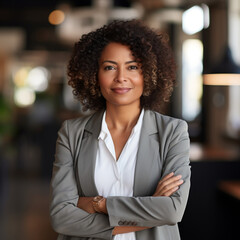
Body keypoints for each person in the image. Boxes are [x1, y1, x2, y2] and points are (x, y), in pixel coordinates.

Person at [50, 20, 191, 240]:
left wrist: (99, 204)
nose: (121, 77)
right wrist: (149, 211)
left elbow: (172, 210)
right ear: (94, 75)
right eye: (109, 67)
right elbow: (61, 216)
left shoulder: (173, 132)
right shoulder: (72, 133)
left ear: (150, 73)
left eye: (132, 67)